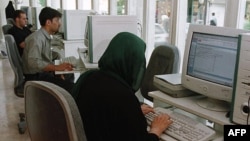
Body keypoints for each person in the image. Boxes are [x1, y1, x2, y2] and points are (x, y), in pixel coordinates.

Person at [72, 32, 173, 141]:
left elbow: (107, 114)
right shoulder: (123, 96)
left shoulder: (89, 77)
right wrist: (156, 130)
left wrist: (132, 113)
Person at [22, 7, 74, 93]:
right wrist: (56, 67)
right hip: (35, 77)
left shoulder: (44, 36)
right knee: (70, 87)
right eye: (57, 20)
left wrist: (58, 67)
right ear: (48, 22)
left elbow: (46, 55)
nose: (59, 24)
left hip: (41, 73)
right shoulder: (37, 39)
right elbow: (33, 63)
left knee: (69, 73)